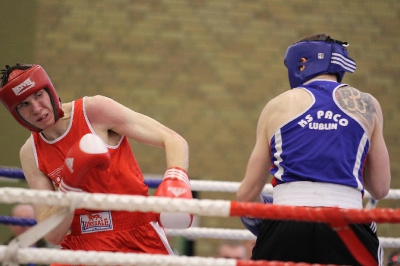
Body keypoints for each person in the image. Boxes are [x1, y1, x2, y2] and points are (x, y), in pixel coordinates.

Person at [0, 64, 192, 263]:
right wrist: (69, 188)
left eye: (38, 95)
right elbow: (53, 235)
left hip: (136, 234)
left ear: (49, 90)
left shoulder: (93, 111)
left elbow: (172, 139)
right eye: (24, 104)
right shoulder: (31, 153)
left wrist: (176, 179)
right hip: (81, 242)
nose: (37, 108)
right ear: (16, 114)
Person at [237, 33, 391, 265]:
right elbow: (380, 188)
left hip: (286, 222)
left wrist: (266, 219)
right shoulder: (367, 104)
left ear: (300, 63)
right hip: (347, 222)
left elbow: (247, 194)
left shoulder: (279, 105)